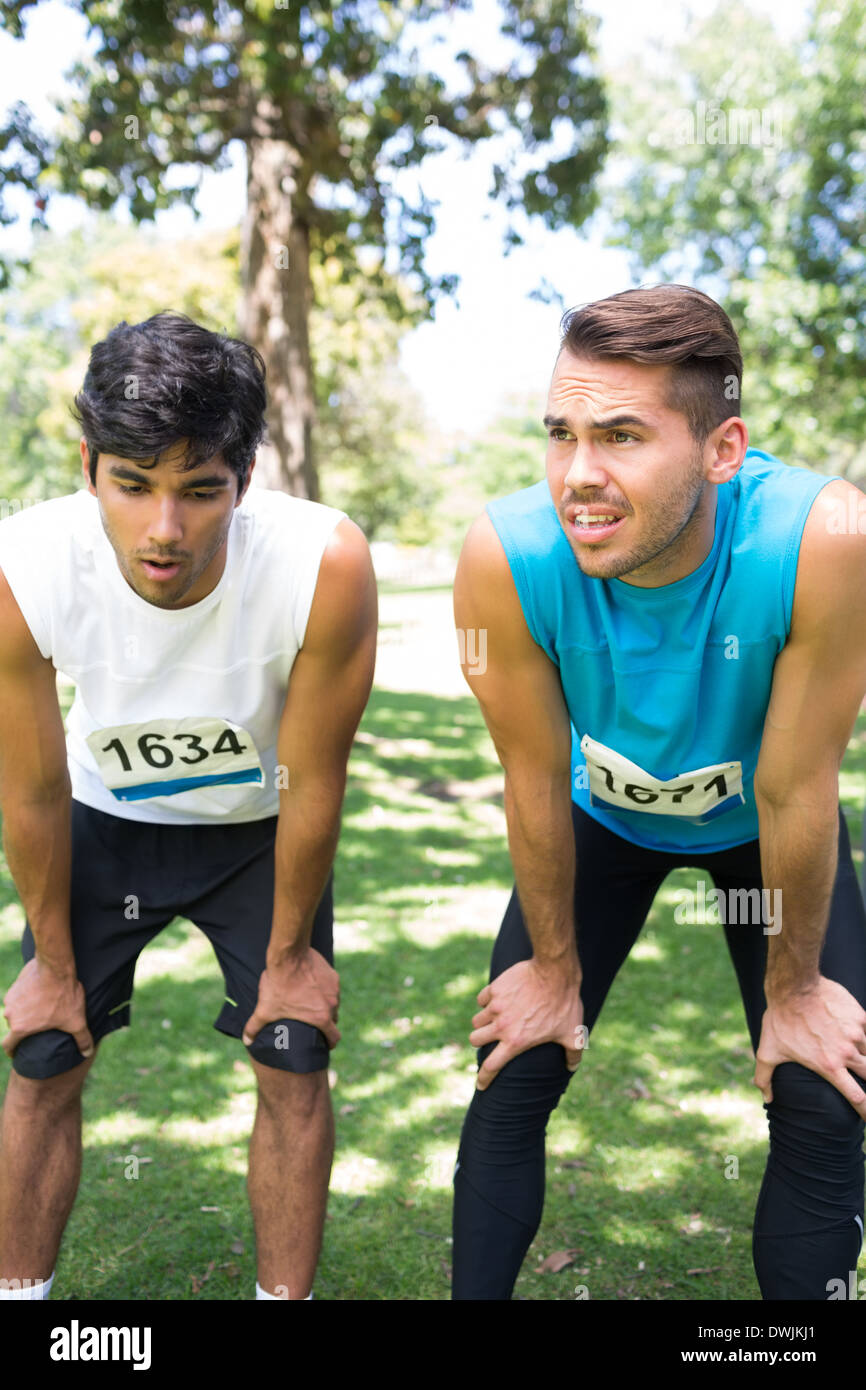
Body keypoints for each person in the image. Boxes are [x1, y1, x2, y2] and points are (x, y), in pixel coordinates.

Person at [450, 283, 866, 1301]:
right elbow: (535, 777)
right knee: (513, 1069)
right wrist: (552, 969)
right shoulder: (501, 556)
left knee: (821, 1091)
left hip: (756, 837)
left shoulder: (826, 540)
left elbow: (792, 784)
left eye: (621, 436)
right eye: (560, 433)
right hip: (603, 826)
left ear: (721, 449)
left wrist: (793, 990)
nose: (576, 477)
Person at [0, 312, 377, 1301]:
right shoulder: (24, 567)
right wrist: (48, 960)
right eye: (132, 484)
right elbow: (31, 787)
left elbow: (314, 781)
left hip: (259, 833)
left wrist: (292, 960)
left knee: (293, 1052)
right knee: (43, 1054)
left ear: (244, 479)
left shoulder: (322, 563)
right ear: (88, 466)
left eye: (199, 491)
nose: (163, 529)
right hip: (101, 826)